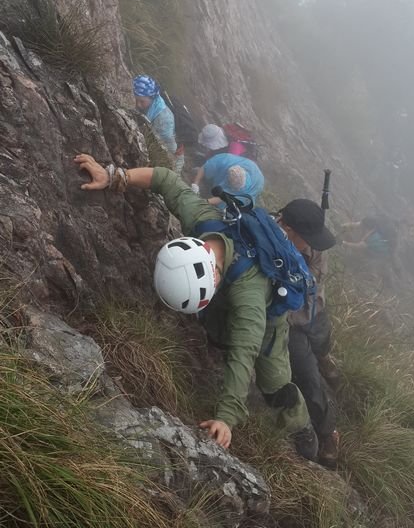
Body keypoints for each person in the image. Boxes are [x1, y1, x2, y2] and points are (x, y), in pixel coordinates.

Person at [73, 153, 318, 460]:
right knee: (220, 333)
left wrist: (226, 417)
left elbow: (245, 352)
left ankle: (302, 427)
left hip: (269, 323)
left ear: (213, 278)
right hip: (231, 298)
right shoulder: (203, 221)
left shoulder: (250, 295)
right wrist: (113, 176)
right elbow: (165, 180)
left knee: (275, 384)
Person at [277, 199, 339, 469]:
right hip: (290, 321)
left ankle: (325, 357)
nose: (313, 243)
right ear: (289, 229)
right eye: (308, 238)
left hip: (315, 310)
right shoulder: (270, 239)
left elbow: (313, 281)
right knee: (309, 376)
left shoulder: (314, 245)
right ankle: (328, 433)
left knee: (323, 341)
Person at [133, 75, 184, 174]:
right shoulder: (153, 103)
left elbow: (170, 149)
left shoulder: (163, 120)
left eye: (142, 101)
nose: (138, 104)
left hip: (173, 156)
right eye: (136, 100)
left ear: (152, 98)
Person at [342, 215, 401, 287]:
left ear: (368, 228)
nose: (362, 229)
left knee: (373, 261)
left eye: (364, 228)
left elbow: (359, 246)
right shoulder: (371, 222)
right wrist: (343, 226)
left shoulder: (374, 238)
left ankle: (375, 275)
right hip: (382, 246)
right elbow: (356, 224)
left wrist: (345, 243)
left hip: (382, 253)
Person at [192, 152, 265, 206]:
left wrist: (204, 202)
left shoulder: (243, 189)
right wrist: (196, 184)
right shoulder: (224, 160)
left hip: (257, 181)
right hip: (248, 166)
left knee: (229, 204)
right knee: (207, 171)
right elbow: (205, 167)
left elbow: (222, 198)